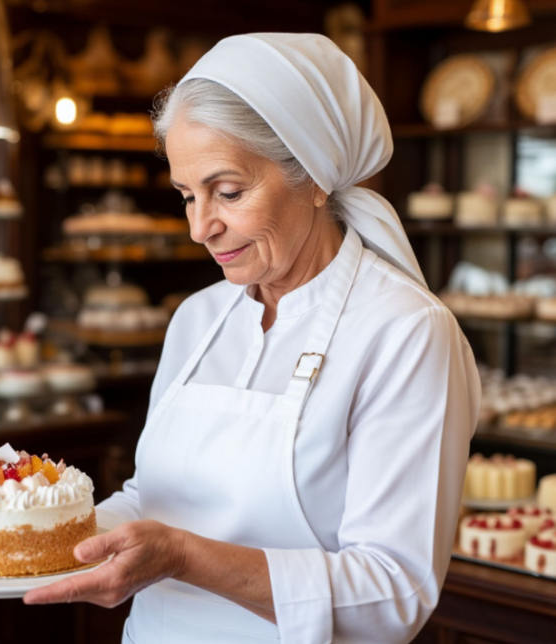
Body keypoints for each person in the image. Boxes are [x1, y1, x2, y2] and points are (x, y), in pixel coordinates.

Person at [24, 33, 480, 644]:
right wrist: (34, 536)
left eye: (229, 192)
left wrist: (183, 557)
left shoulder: (405, 333)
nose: (200, 228)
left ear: (314, 176)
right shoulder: (198, 318)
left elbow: (392, 592)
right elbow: (151, 499)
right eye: (187, 196)